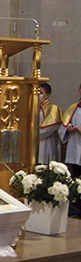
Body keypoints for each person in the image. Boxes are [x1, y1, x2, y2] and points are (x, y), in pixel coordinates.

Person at [58, 83, 81, 216]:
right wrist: (68, 128)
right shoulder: (73, 108)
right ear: (79, 91)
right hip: (74, 149)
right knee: (74, 176)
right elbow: (62, 126)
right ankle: (75, 206)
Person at [38, 83, 62, 163]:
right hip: (32, 143)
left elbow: (50, 128)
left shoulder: (54, 108)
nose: (37, 95)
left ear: (47, 95)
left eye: (40, 93)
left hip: (46, 142)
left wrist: (32, 135)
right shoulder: (32, 107)